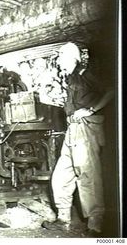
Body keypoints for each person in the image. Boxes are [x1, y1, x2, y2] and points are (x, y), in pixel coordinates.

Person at [41, 42, 114, 237]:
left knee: (88, 175)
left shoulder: (86, 73)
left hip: (86, 127)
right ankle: (63, 219)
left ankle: (96, 225)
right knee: (61, 176)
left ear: (72, 57)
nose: (58, 62)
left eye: (61, 57)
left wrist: (90, 109)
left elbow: (111, 90)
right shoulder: (70, 77)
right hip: (72, 129)